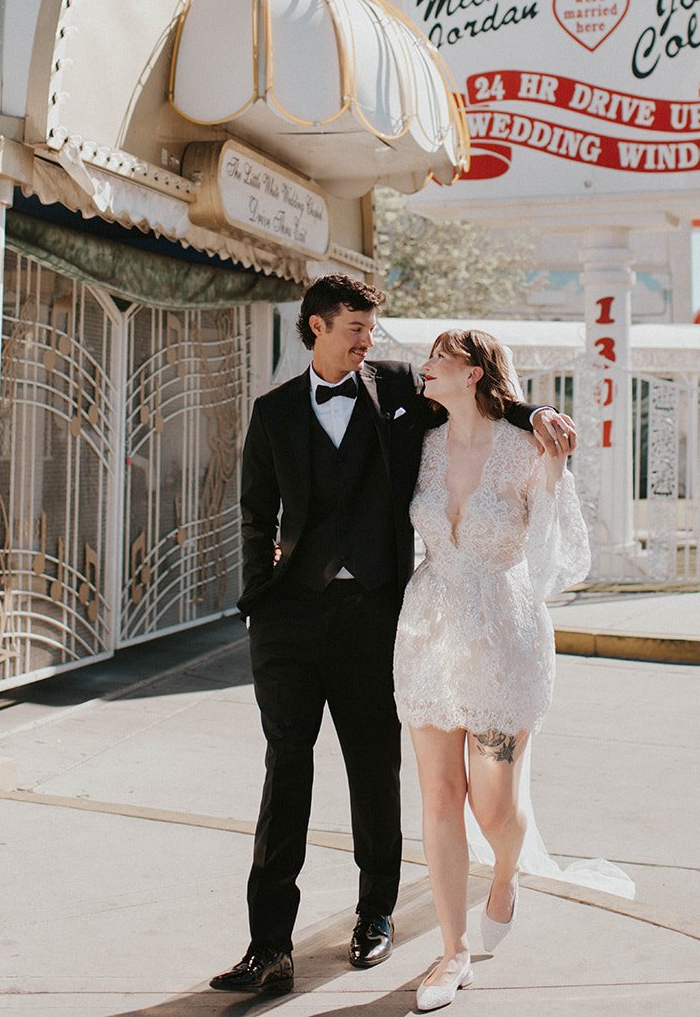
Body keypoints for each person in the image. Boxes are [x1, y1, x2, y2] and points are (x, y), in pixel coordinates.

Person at [209, 275, 576, 999]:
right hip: (290, 619)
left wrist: (540, 413)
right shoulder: (273, 411)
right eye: (354, 326)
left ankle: (374, 915)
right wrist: (259, 597)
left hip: (376, 615)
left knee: (375, 771)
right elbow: (255, 514)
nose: (368, 339)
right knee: (287, 768)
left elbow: (487, 398)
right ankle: (268, 947)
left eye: (371, 327)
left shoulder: (405, 389)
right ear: (315, 326)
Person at [394, 329, 598, 1013]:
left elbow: (557, 550)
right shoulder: (417, 445)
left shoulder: (525, 446)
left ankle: (507, 869)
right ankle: (451, 952)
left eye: (439, 359)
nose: (424, 368)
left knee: (494, 805)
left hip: (502, 635)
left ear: (474, 371)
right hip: (427, 631)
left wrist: (549, 453)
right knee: (438, 796)